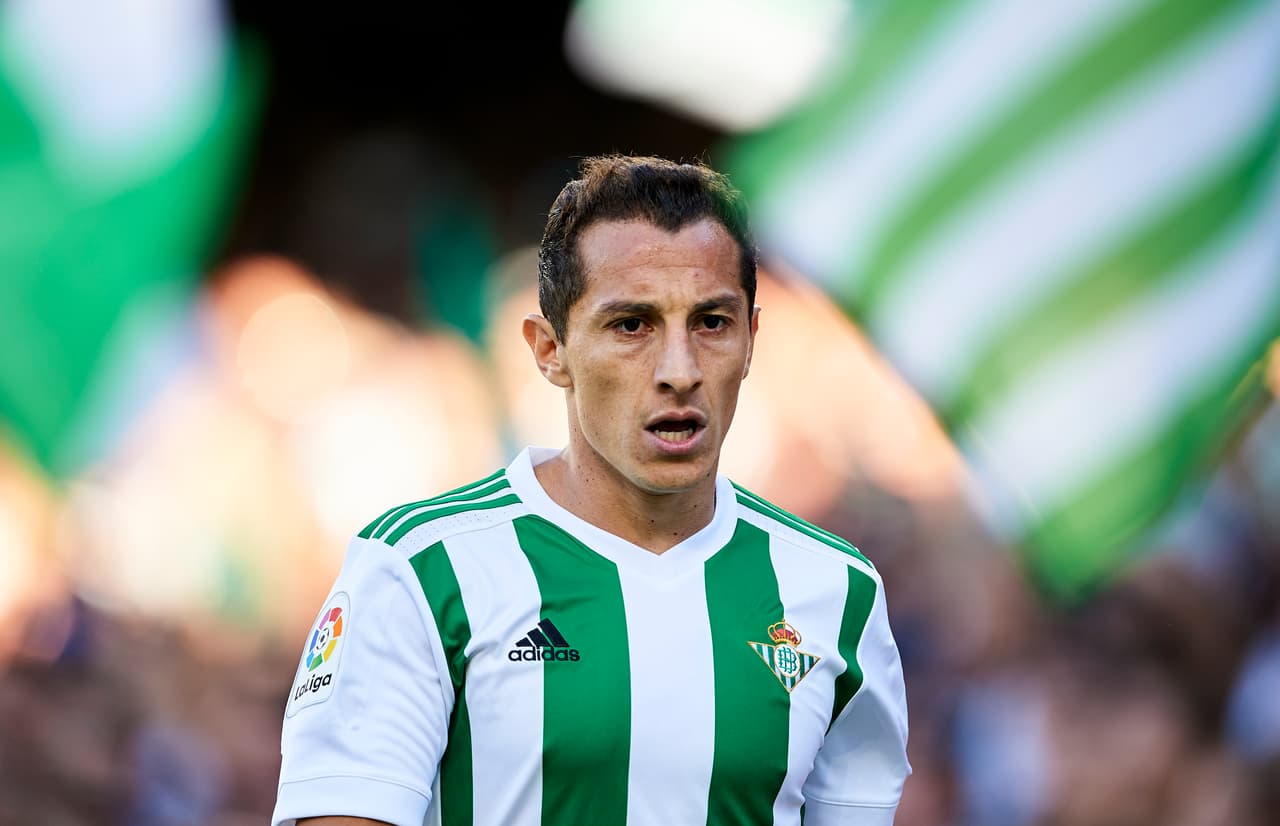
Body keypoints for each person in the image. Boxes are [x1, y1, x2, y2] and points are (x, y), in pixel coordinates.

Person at [271, 154, 911, 826]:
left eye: (712, 323)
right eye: (631, 325)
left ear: (752, 340)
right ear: (551, 350)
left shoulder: (837, 590)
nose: (679, 370)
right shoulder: (422, 569)